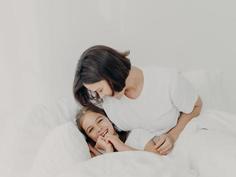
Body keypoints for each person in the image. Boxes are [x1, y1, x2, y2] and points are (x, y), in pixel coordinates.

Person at [73, 45, 202, 155]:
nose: (100, 96)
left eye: (100, 90)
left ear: (111, 74)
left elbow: (196, 106)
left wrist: (172, 136)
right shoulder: (107, 102)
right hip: (148, 154)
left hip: (183, 142)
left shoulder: (167, 80)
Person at [76, 105, 160, 157]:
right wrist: (109, 151)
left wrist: (119, 145)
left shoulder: (136, 135)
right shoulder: (99, 157)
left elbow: (156, 159)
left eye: (100, 121)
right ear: (89, 137)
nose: (99, 129)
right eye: (91, 129)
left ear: (109, 118)